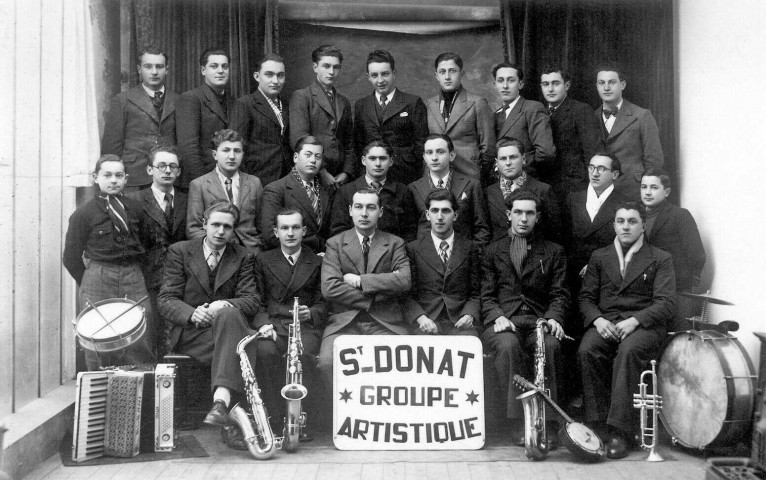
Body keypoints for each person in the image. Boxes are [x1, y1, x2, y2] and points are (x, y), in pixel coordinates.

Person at [577, 201, 675, 459]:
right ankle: (597, 425)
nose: (626, 226)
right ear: (613, 225)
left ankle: (620, 431)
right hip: (607, 322)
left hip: (644, 325)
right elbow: (586, 299)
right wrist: (598, 320)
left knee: (628, 353)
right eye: (621, 221)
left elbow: (666, 303)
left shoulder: (661, 258)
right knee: (587, 349)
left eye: (632, 221)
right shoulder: (600, 256)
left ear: (643, 225)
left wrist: (635, 321)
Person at [158, 201, 259, 450]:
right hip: (193, 334)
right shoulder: (180, 251)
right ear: (204, 224)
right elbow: (166, 299)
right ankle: (231, 422)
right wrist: (192, 314)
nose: (220, 231)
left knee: (229, 316)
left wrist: (221, 304)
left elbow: (251, 300)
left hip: (224, 331)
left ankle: (220, 404)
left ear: (234, 230)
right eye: (215, 224)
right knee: (244, 349)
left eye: (227, 226)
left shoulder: (243, 256)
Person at [481, 190, 570, 445]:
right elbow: (485, 295)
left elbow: (560, 294)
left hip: (538, 321)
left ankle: (549, 423)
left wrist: (553, 317)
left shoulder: (553, 251)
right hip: (505, 321)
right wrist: (496, 315)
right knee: (507, 346)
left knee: (551, 345)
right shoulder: (491, 251)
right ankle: (517, 422)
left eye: (529, 213)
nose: (523, 218)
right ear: (508, 214)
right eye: (518, 212)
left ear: (538, 217)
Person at [63, 155, 156, 370]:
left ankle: (140, 394)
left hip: (132, 276)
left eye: (118, 175)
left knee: (140, 333)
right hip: (98, 277)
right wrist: (89, 280)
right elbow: (71, 257)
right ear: (96, 178)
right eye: (107, 175)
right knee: (97, 337)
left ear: (126, 179)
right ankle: (99, 393)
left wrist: (137, 273)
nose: (113, 180)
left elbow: (150, 245)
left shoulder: (137, 209)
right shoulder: (83, 214)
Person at [318, 188, 411, 393]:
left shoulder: (395, 243)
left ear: (381, 212)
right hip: (345, 323)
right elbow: (330, 288)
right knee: (327, 363)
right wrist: (376, 295)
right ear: (350, 210)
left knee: (398, 367)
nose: (364, 213)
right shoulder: (335, 244)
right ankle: (341, 420)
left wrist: (361, 281)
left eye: (371, 207)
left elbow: (404, 281)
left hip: (385, 322)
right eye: (358, 207)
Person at [252, 209, 325, 439]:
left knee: (304, 354)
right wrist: (265, 326)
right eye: (284, 228)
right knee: (264, 352)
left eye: (295, 228)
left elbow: (325, 303)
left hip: (304, 327)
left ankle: (300, 420)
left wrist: (310, 313)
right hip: (273, 326)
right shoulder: (263, 260)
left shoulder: (316, 261)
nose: (290, 233)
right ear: (275, 232)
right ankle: (274, 417)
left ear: (304, 231)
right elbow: (258, 301)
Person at [127, 144, 187, 357]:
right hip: (146, 279)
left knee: (177, 336)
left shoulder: (187, 199)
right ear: (150, 170)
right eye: (161, 166)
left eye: (173, 166)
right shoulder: (134, 200)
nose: (167, 171)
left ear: (179, 171)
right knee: (149, 335)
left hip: (181, 279)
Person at [101, 45, 178, 190]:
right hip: (134, 178)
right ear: (139, 70)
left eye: (159, 67)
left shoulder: (179, 100)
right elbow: (111, 147)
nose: (154, 72)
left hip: (168, 178)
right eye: (148, 66)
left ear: (167, 70)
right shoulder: (122, 100)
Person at [405, 189, 480, 336]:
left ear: (455, 215)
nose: (439, 217)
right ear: (427, 215)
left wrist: (469, 315)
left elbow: (476, 293)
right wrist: (420, 318)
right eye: (434, 211)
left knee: (468, 343)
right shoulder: (413, 248)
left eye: (445, 211)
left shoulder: (470, 248)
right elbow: (407, 295)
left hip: (460, 323)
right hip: (426, 321)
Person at [641, 169, 705, 328]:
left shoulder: (680, 215)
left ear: (667, 191)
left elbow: (696, 253)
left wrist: (683, 282)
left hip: (675, 288)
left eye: (654, 188)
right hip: (644, 291)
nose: (647, 192)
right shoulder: (635, 216)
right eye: (644, 187)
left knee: (676, 336)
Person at [353, 50, 429, 185]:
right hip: (371, 176)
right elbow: (359, 144)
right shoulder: (361, 105)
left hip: (405, 175)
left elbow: (421, 142)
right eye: (374, 75)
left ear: (394, 73)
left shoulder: (412, 102)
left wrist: (410, 166)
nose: (380, 80)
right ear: (368, 77)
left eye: (385, 74)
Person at [187, 129, 264, 254]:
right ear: (215, 154)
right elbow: (194, 229)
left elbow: (262, 225)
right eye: (226, 150)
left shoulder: (254, 183)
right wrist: (214, 249)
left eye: (237, 151)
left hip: (251, 252)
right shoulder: (199, 185)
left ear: (243, 154)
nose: (232, 156)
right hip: (216, 253)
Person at [564, 152, 627, 305]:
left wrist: (596, 265)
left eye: (601, 169)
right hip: (573, 275)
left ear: (615, 174)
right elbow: (564, 238)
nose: (594, 173)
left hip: (607, 277)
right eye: (591, 168)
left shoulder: (623, 204)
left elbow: (626, 244)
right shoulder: (574, 199)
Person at [289, 45, 355, 190]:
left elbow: (349, 142)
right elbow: (299, 139)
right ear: (315, 67)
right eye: (326, 66)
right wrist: (322, 172)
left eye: (336, 67)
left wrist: (347, 172)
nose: (331, 72)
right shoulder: (302, 96)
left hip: (340, 178)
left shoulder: (344, 101)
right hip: (313, 174)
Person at [594, 63, 663, 199]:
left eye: (612, 82)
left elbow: (654, 160)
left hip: (633, 190)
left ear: (623, 85)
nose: (606, 87)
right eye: (601, 83)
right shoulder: (591, 117)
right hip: (602, 191)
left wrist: (644, 187)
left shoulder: (642, 115)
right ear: (597, 86)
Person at [409, 134, 490, 247]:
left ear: (451, 155)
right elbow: (409, 231)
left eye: (440, 152)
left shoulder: (471, 185)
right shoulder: (413, 188)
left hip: (463, 255)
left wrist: (473, 256)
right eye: (429, 152)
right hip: (426, 256)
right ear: (424, 157)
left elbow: (482, 228)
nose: (434, 157)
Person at [426, 52, 495, 181]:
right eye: (442, 72)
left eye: (452, 71)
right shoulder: (429, 105)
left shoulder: (477, 103)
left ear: (461, 74)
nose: (447, 77)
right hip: (438, 177)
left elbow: (488, 148)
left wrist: (478, 172)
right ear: (436, 76)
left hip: (469, 175)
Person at [330, 140, 418, 242]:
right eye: (372, 158)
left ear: (391, 161)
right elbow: (338, 230)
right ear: (363, 160)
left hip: (392, 253)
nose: (378, 164)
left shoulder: (402, 192)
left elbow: (410, 232)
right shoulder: (346, 192)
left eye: (383, 158)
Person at [260, 136, 333, 252]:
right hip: (294, 258)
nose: (313, 160)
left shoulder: (328, 189)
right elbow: (270, 236)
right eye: (308, 155)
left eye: (318, 156)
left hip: (326, 256)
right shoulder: (276, 190)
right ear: (295, 157)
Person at [539, 65, 601, 201]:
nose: (550, 89)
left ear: (566, 85)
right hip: (546, 186)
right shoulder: (539, 113)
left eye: (555, 84)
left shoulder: (581, 110)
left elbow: (592, 152)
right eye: (545, 84)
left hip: (575, 187)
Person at [230, 53, 292, 187]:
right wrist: (249, 181)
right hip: (257, 179)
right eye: (269, 75)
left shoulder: (288, 105)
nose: (275, 81)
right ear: (257, 76)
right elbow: (237, 146)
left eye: (280, 75)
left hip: (286, 179)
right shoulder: (245, 104)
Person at [176, 48, 235, 189]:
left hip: (228, 178)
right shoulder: (191, 98)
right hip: (201, 180)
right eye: (214, 66)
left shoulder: (233, 101)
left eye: (224, 66)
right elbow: (189, 149)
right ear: (203, 70)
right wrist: (206, 184)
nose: (220, 71)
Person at [486, 137, 561, 243]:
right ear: (497, 163)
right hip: (498, 256)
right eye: (503, 158)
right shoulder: (488, 193)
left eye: (513, 157)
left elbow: (555, 234)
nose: (508, 163)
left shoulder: (543, 190)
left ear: (524, 159)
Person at [492, 62, 555, 183]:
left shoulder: (532, 108)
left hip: (527, 181)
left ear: (520, 84)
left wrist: (518, 166)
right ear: (495, 85)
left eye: (511, 80)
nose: (505, 86)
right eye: (500, 81)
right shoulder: (495, 115)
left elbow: (546, 152)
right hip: (501, 184)